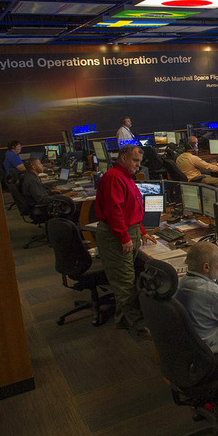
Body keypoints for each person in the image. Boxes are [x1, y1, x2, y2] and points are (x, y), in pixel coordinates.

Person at [95, 144, 154, 336]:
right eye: (135, 161)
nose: (138, 165)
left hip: (130, 232)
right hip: (117, 237)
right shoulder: (113, 177)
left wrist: (142, 231)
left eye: (139, 162)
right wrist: (124, 237)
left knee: (129, 277)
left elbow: (133, 209)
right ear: (123, 158)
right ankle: (139, 326)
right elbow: (115, 212)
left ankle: (122, 319)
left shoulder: (126, 177)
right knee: (125, 282)